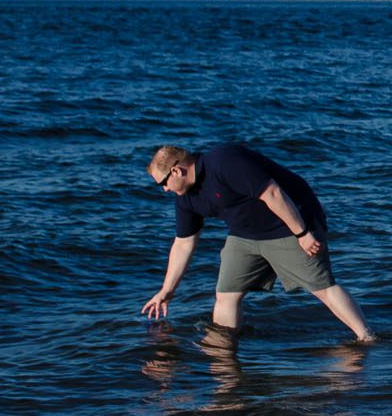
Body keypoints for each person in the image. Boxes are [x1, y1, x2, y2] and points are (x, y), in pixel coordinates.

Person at [140, 143, 372, 342]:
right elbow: (183, 243)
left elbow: (273, 194)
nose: (163, 190)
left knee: (322, 287)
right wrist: (166, 291)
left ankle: (366, 337)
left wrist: (302, 234)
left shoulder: (225, 162)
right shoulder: (185, 198)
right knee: (227, 294)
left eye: (163, 182)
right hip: (245, 235)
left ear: (177, 171)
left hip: (289, 225)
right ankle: (224, 350)